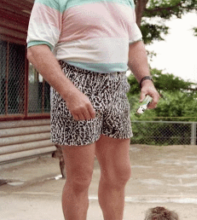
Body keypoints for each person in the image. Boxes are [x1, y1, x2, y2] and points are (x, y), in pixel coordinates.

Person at [26, 0, 160, 219]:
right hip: (74, 81)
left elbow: (134, 43)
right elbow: (37, 47)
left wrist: (146, 80)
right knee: (79, 178)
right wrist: (69, 93)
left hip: (116, 85)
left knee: (119, 174)